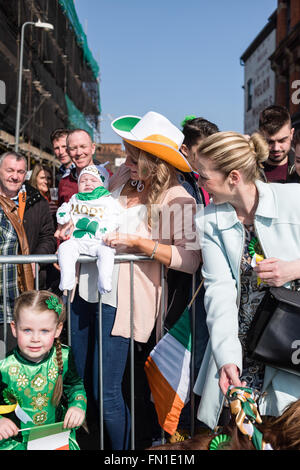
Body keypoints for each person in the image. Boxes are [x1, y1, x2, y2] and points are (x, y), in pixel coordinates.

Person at [56, 111, 201, 450]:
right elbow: (95, 213)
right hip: (85, 291)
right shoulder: (123, 176)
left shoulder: (177, 198)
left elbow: (190, 260)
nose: (127, 159)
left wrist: (141, 244)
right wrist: (72, 228)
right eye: (128, 152)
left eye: (135, 155)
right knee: (82, 384)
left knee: (108, 393)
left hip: (123, 303)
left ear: (155, 160)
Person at [193, 130, 300, 431]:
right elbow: (219, 290)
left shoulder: (294, 200)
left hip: (291, 350)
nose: (199, 183)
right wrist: (227, 358)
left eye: (203, 176)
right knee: (243, 435)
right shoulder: (209, 220)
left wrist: (294, 269)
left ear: (234, 177)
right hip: (244, 354)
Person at [0, 290, 86, 450]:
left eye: (44, 331)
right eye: (27, 330)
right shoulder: (3, 366)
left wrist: (77, 406)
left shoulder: (65, 357)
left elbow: (75, 387)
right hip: (15, 443)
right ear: (14, 328)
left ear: (58, 330)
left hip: (54, 440)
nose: (35, 338)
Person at [0, 152, 56, 356]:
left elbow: (48, 237)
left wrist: (36, 260)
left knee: (14, 353)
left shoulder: (36, 200)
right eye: (10, 171)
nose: (15, 176)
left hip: (20, 290)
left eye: (20, 172)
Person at [56, 165, 122, 294]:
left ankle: (104, 281)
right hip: (76, 240)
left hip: (99, 241)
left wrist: (106, 230)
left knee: (107, 253)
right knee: (64, 249)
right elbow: (64, 210)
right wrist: (63, 215)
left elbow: (116, 217)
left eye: (93, 180)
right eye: (83, 180)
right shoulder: (75, 199)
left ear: (103, 183)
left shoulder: (108, 201)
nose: (88, 183)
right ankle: (67, 280)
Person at [57, 129, 110, 207]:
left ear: (93, 148)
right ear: (68, 152)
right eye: (73, 148)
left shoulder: (109, 177)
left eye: (83, 146)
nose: (79, 152)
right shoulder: (64, 183)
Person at [259, 105, 294, 182]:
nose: (276, 148)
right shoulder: (247, 169)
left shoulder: (298, 169)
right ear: (260, 137)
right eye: (270, 142)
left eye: (282, 141)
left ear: (291, 134)